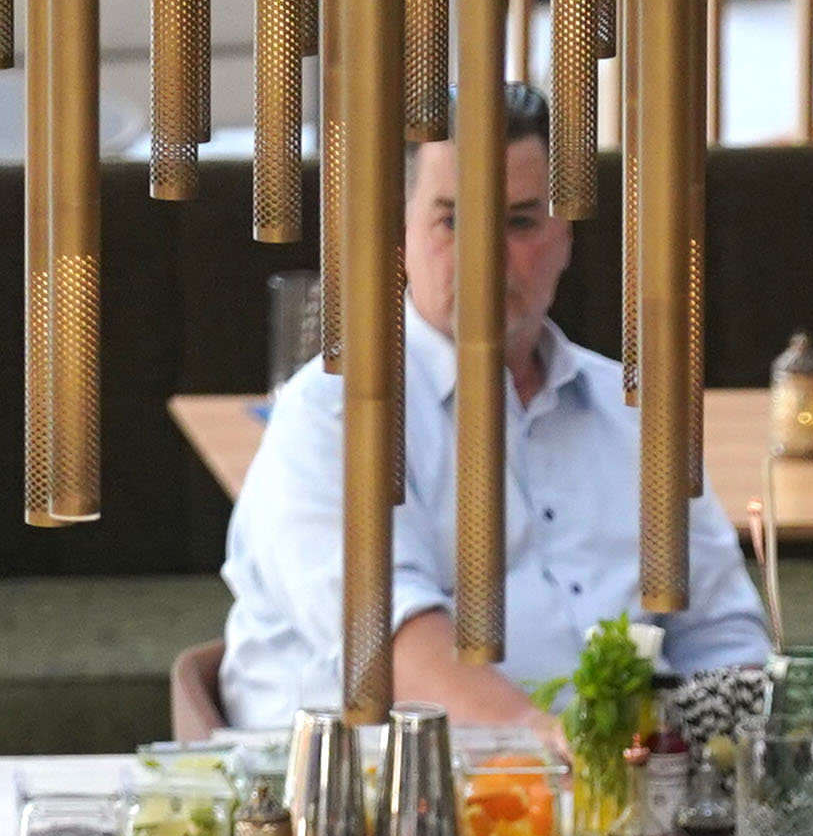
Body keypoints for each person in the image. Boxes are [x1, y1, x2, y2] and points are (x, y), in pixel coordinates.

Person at [217, 86, 776, 730]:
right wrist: (566, 757)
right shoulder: (333, 412)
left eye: (519, 223)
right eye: (453, 220)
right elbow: (391, 647)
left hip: (625, 801)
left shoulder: (634, 409)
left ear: (565, 235)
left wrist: (738, 753)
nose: (486, 255)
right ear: (399, 233)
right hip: (378, 795)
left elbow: (722, 633)